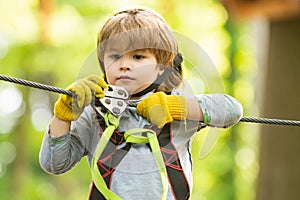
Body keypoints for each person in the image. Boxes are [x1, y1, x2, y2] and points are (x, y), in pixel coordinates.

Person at [39, 6, 243, 200]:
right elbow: (54, 164)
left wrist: (174, 107)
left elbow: (232, 110)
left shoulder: (177, 108)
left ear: (162, 67)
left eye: (138, 56)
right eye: (115, 56)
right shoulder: (95, 112)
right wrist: (63, 116)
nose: (125, 65)